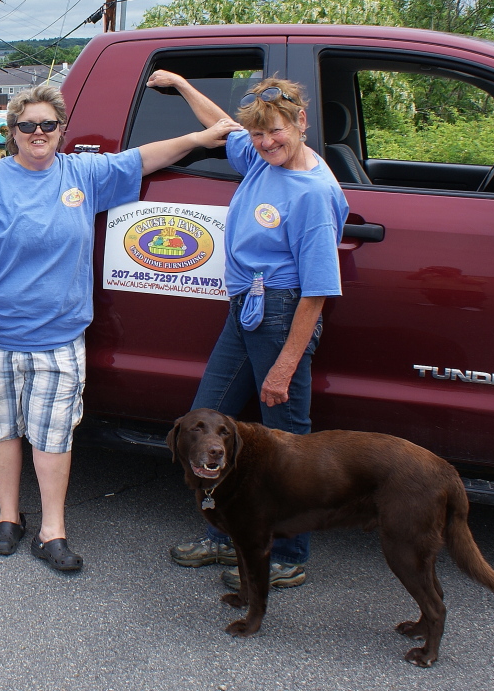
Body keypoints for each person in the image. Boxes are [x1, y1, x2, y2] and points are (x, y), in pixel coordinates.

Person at [0, 84, 223, 571]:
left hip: (59, 336)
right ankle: (9, 517)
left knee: (53, 436)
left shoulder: (83, 174)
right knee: (2, 432)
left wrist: (200, 138)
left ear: (61, 129)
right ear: (12, 132)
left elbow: (145, 157)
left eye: (48, 124)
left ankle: (53, 530)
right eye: (27, 125)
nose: (38, 133)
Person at [146, 71, 348, 589]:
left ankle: (288, 552)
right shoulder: (262, 156)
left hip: (281, 313)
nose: (265, 143)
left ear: (301, 122)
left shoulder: (311, 194)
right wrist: (182, 85)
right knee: (207, 419)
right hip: (247, 309)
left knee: (287, 440)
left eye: (276, 131)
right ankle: (224, 534)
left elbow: (318, 291)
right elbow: (224, 125)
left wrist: (284, 366)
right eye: (258, 134)